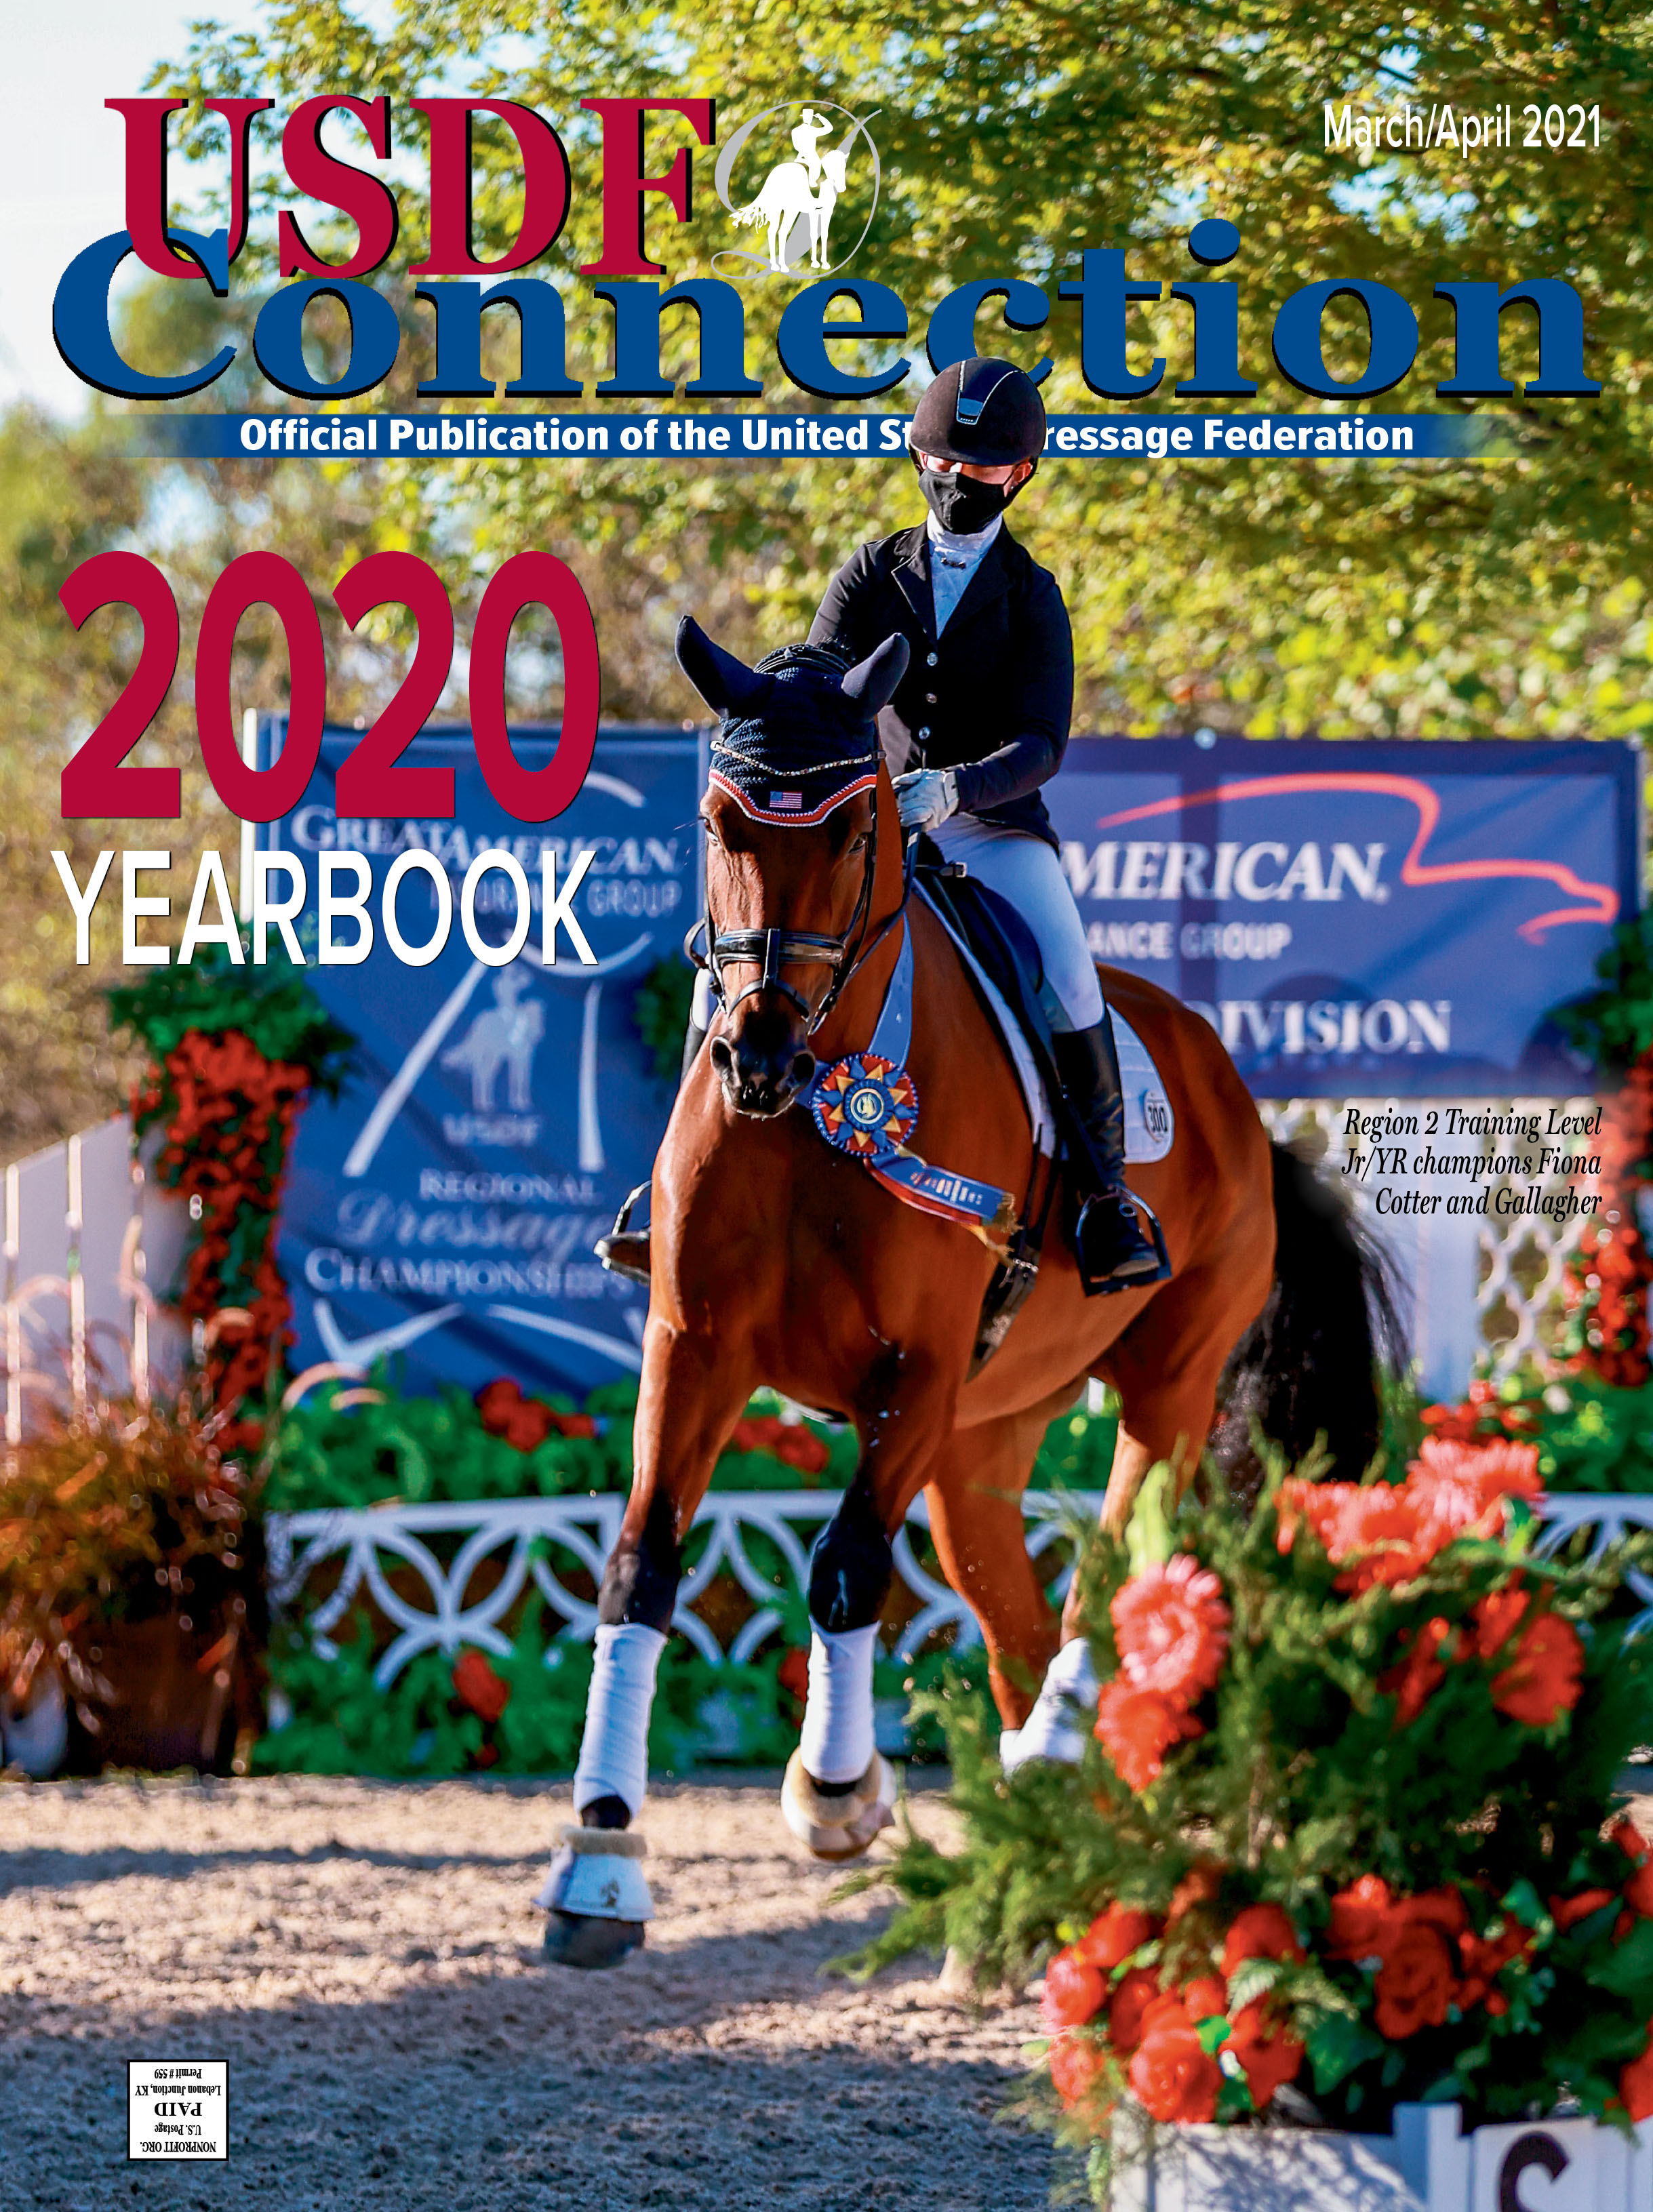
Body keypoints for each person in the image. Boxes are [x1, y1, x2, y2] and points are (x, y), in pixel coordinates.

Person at [598, 355, 1164, 1294]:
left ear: (1019, 474)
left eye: (979, 469)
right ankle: (668, 1189)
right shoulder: (872, 570)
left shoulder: (1032, 595)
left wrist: (955, 789)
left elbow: (1043, 742)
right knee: (725, 963)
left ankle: (1105, 1199)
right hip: (863, 827)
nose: (955, 480)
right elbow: (818, 684)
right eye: (940, 462)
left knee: (1068, 974)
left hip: (989, 830)